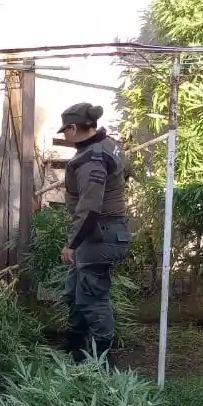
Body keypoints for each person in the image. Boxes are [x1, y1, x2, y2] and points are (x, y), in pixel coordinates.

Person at [56, 102, 131, 367]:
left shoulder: (91, 160)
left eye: (65, 130)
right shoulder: (110, 144)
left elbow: (90, 209)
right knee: (74, 289)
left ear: (74, 128)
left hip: (99, 235)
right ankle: (74, 343)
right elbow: (126, 172)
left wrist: (72, 245)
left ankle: (100, 358)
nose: (64, 135)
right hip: (105, 231)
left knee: (92, 298)